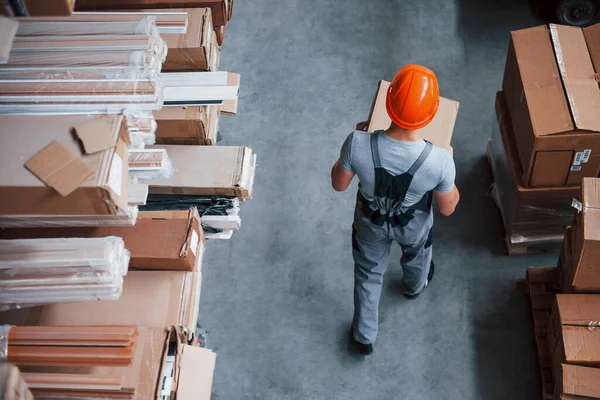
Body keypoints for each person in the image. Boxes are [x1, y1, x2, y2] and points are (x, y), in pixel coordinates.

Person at [331, 64, 460, 356]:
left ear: (387, 102)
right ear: (433, 112)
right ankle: (414, 287)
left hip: (369, 221)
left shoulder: (358, 143)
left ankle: (364, 336)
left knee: (368, 271)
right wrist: (448, 168)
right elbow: (448, 207)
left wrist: (352, 148)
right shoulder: (439, 160)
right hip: (412, 223)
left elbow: (339, 184)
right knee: (418, 254)